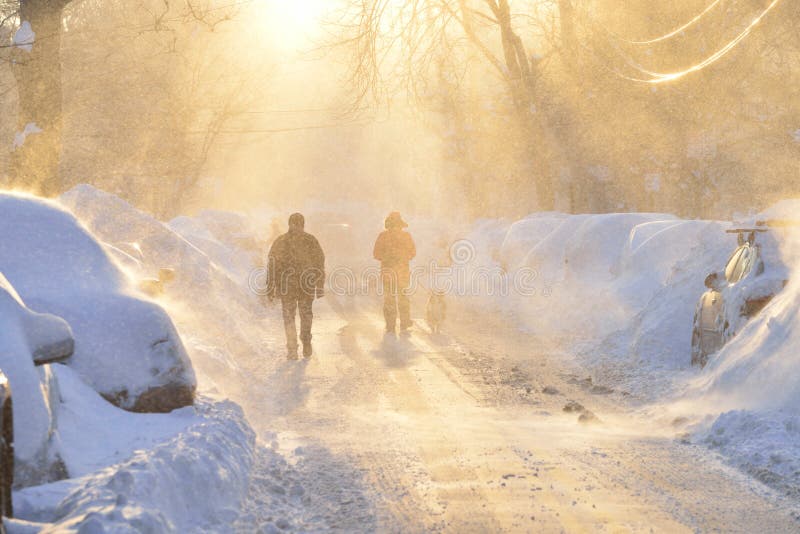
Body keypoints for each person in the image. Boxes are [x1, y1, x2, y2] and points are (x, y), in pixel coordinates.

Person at [267, 213, 325, 359]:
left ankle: (292, 348)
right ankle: (305, 341)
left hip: (287, 287)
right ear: (303, 224)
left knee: (289, 317)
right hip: (306, 286)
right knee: (306, 316)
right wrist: (319, 284)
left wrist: (271, 286)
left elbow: (272, 265)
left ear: (290, 223)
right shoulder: (310, 240)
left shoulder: (281, 241)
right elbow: (319, 263)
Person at [373, 211, 416, 333]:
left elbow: (376, 254)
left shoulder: (383, 236)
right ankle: (404, 322)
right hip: (402, 273)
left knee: (389, 299)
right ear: (400, 224)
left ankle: (390, 325)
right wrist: (403, 257)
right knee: (403, 298)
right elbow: (413, 253)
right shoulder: (406, 236)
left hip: (388, 274)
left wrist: (387, 257)